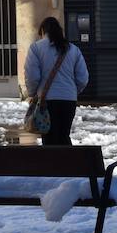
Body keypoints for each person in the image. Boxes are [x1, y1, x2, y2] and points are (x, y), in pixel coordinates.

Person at [24, 17, 89, 145]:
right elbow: (83, 78)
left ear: (43, 31)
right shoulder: (74, 50)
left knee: (49, 139)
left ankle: (51, 164)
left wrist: (32, 93)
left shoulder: (36, 48)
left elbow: (32, 76)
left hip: (46, 101)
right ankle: (67, 163)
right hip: (69, 100)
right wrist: (72, 91)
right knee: (64, 136)